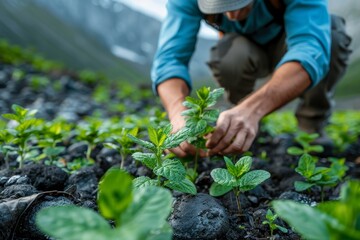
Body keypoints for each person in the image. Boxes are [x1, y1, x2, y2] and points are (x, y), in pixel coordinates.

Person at [151, 0, 352, 157]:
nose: (232, 15)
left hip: (290, 43)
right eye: (219, 6)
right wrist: (178, 113)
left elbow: (311, 50)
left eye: (240, 3)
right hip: (244, 51)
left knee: (332, 35)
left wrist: (253, 110)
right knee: (230, 55)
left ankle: (311, 128)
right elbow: (170, 59)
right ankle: (239, 126)